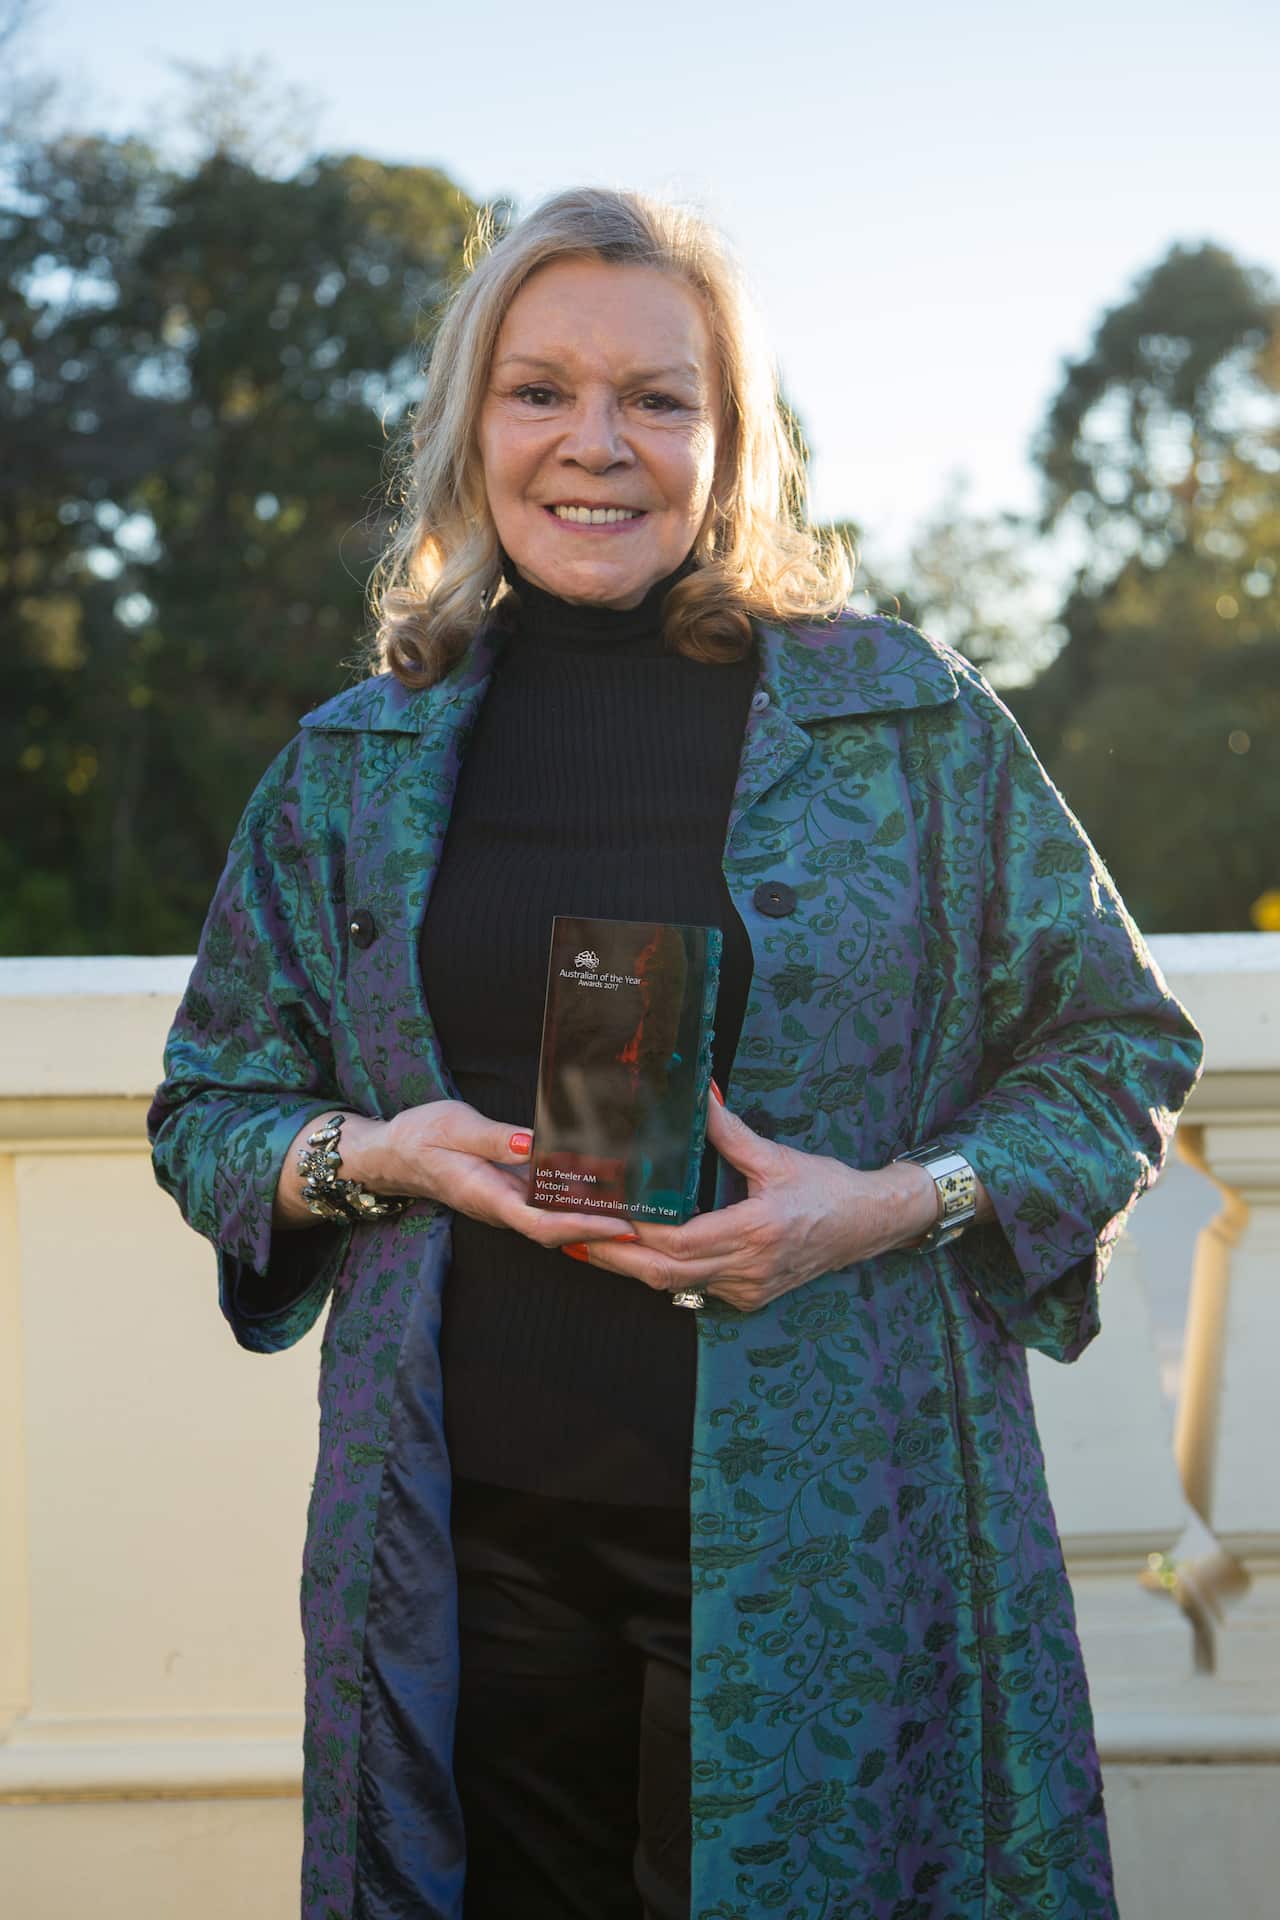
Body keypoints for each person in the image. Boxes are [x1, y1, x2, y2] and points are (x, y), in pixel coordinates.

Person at [148, 187, 1203, 1920]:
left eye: (657, 397)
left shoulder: (905, 725)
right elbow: (208, 1109)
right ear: (469, 427)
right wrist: (380, 1156)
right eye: (540, 391)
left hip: (841, 1535)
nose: (597, 443)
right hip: (470, 1549)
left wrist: (887, 1203)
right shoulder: (355, 762)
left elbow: (1119, 1046)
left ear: (730, 441)